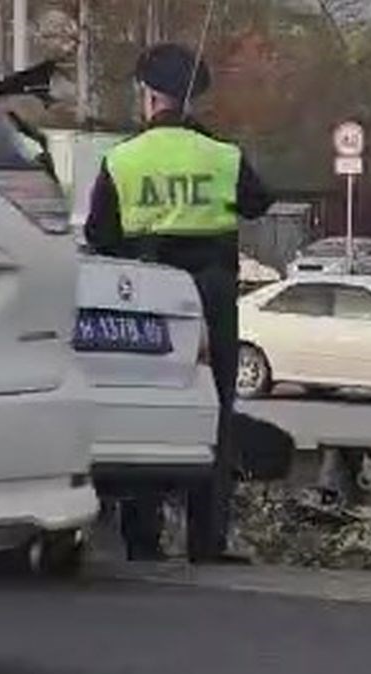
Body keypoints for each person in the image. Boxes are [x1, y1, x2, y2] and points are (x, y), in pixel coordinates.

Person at [84, 42, 273, 561]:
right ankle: (206, 543)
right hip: (211, 293)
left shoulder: (122, 158)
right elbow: (259, 201)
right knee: (215, 415)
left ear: (147, 96)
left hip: (149, 292)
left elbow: (100, 232)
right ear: (192, 100)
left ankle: (142, 541)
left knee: (150, 408)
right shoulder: (223, 155)